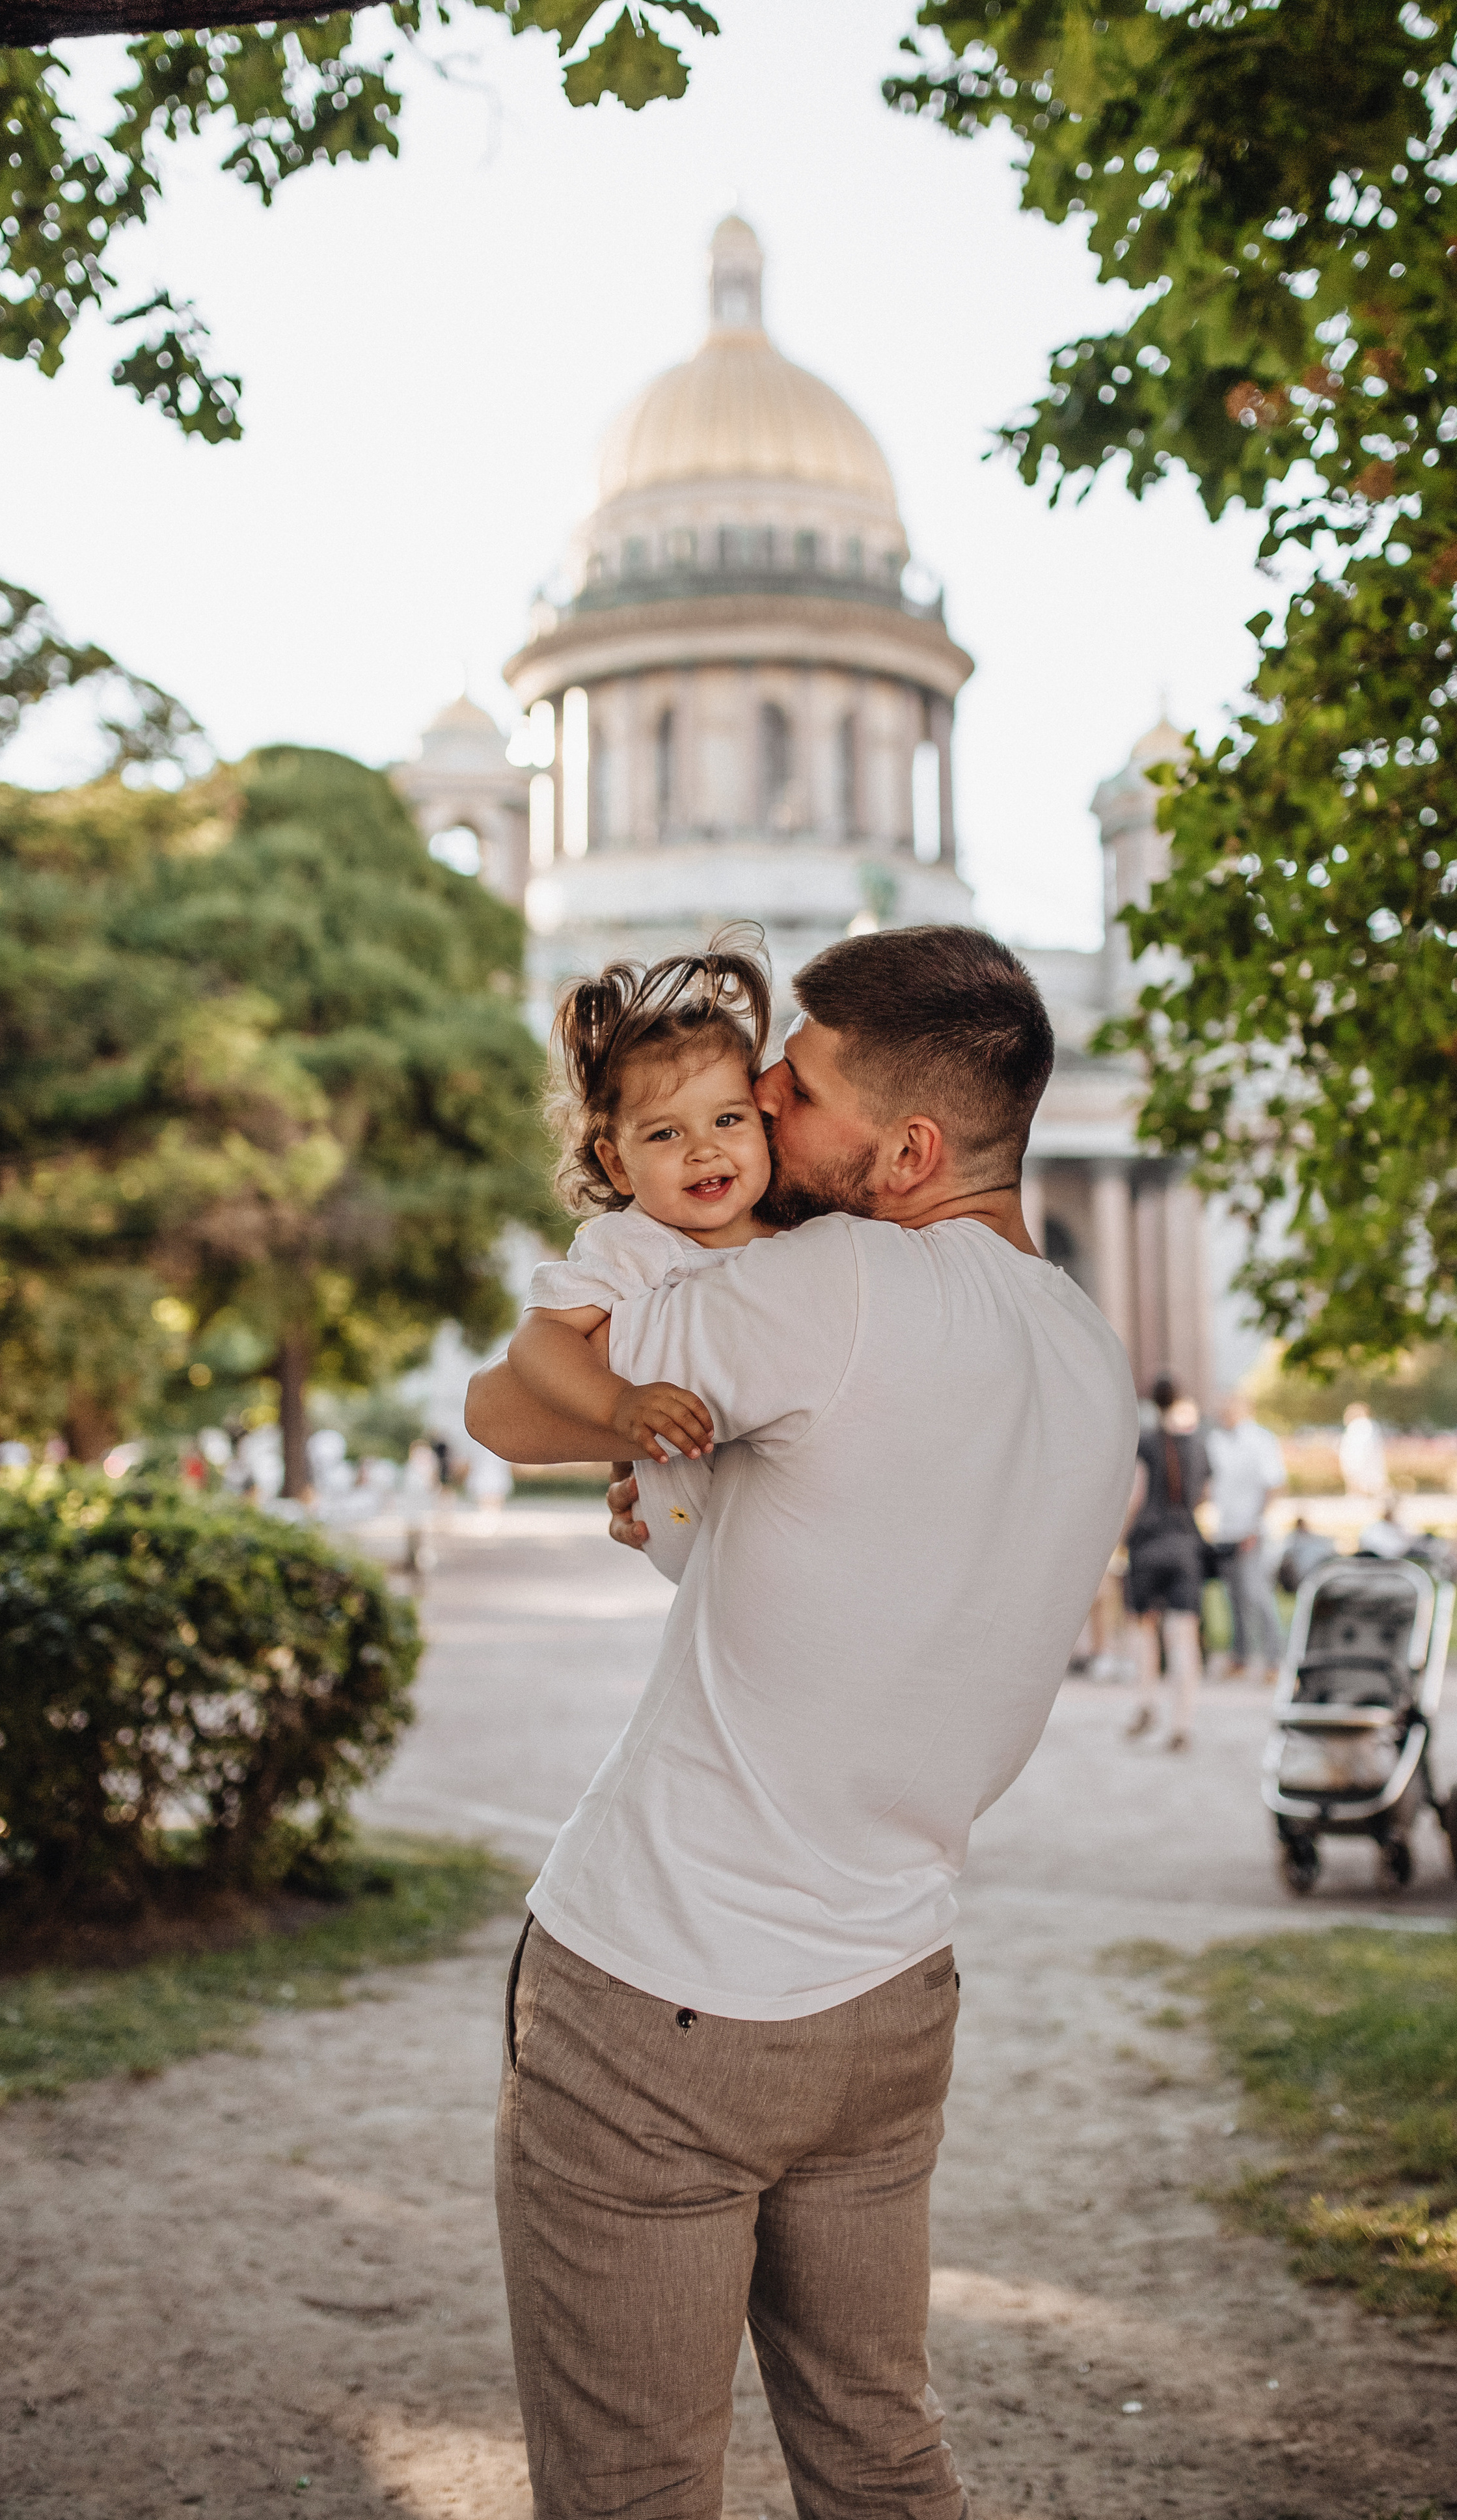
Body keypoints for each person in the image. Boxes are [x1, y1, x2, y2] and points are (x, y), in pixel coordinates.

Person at [466, 924, 1137, 2520]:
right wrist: (692, 1470)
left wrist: (624, 1432)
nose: (753, 1099)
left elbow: (503, 1403)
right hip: (890, 1996)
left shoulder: (829, 1285)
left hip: (663, 1988)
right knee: (878, 2453)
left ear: (904, 1153)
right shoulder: (1087, 1353)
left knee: (631, 2484)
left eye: (798, 1082)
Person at [509, 933, 776, 1582]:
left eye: (729, 1120)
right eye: (665, 1132)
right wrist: (615, 1406)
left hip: (785, 1506)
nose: (703, 1150)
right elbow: (538, 1339)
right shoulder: (631, 1245)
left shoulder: (797, 1225)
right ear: (614, 1161)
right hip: (684, 1515)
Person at [1123, 1372, 1209, 1751]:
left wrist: (1120, 1538)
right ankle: (1182, 1723)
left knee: (1144, 1630)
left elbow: (1136, 1496)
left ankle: (1146, 1702)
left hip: (1147, 1546)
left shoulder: (1145, 1443)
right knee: (1184, 1638)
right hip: (1186, 1547)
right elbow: (1205, 1495)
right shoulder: (1196, 1445)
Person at [1206, 1389, 1287, 1682]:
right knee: (1234, 1597)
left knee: (1257, 1594)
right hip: (1225, 1529)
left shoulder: (1260, 1440)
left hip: (1252, 1530)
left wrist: (1256, 1525)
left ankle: (1274, 1659)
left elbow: (1274, 1485)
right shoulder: (1215, 1442)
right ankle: (1239, 1656)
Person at [1339, 1398, 1388, 1501]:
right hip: (1362, 1464)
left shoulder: (1361, 1426)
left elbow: (1361, 1449)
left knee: (1363, 1491)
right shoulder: (1366, 1426)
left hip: (1360, 1463)